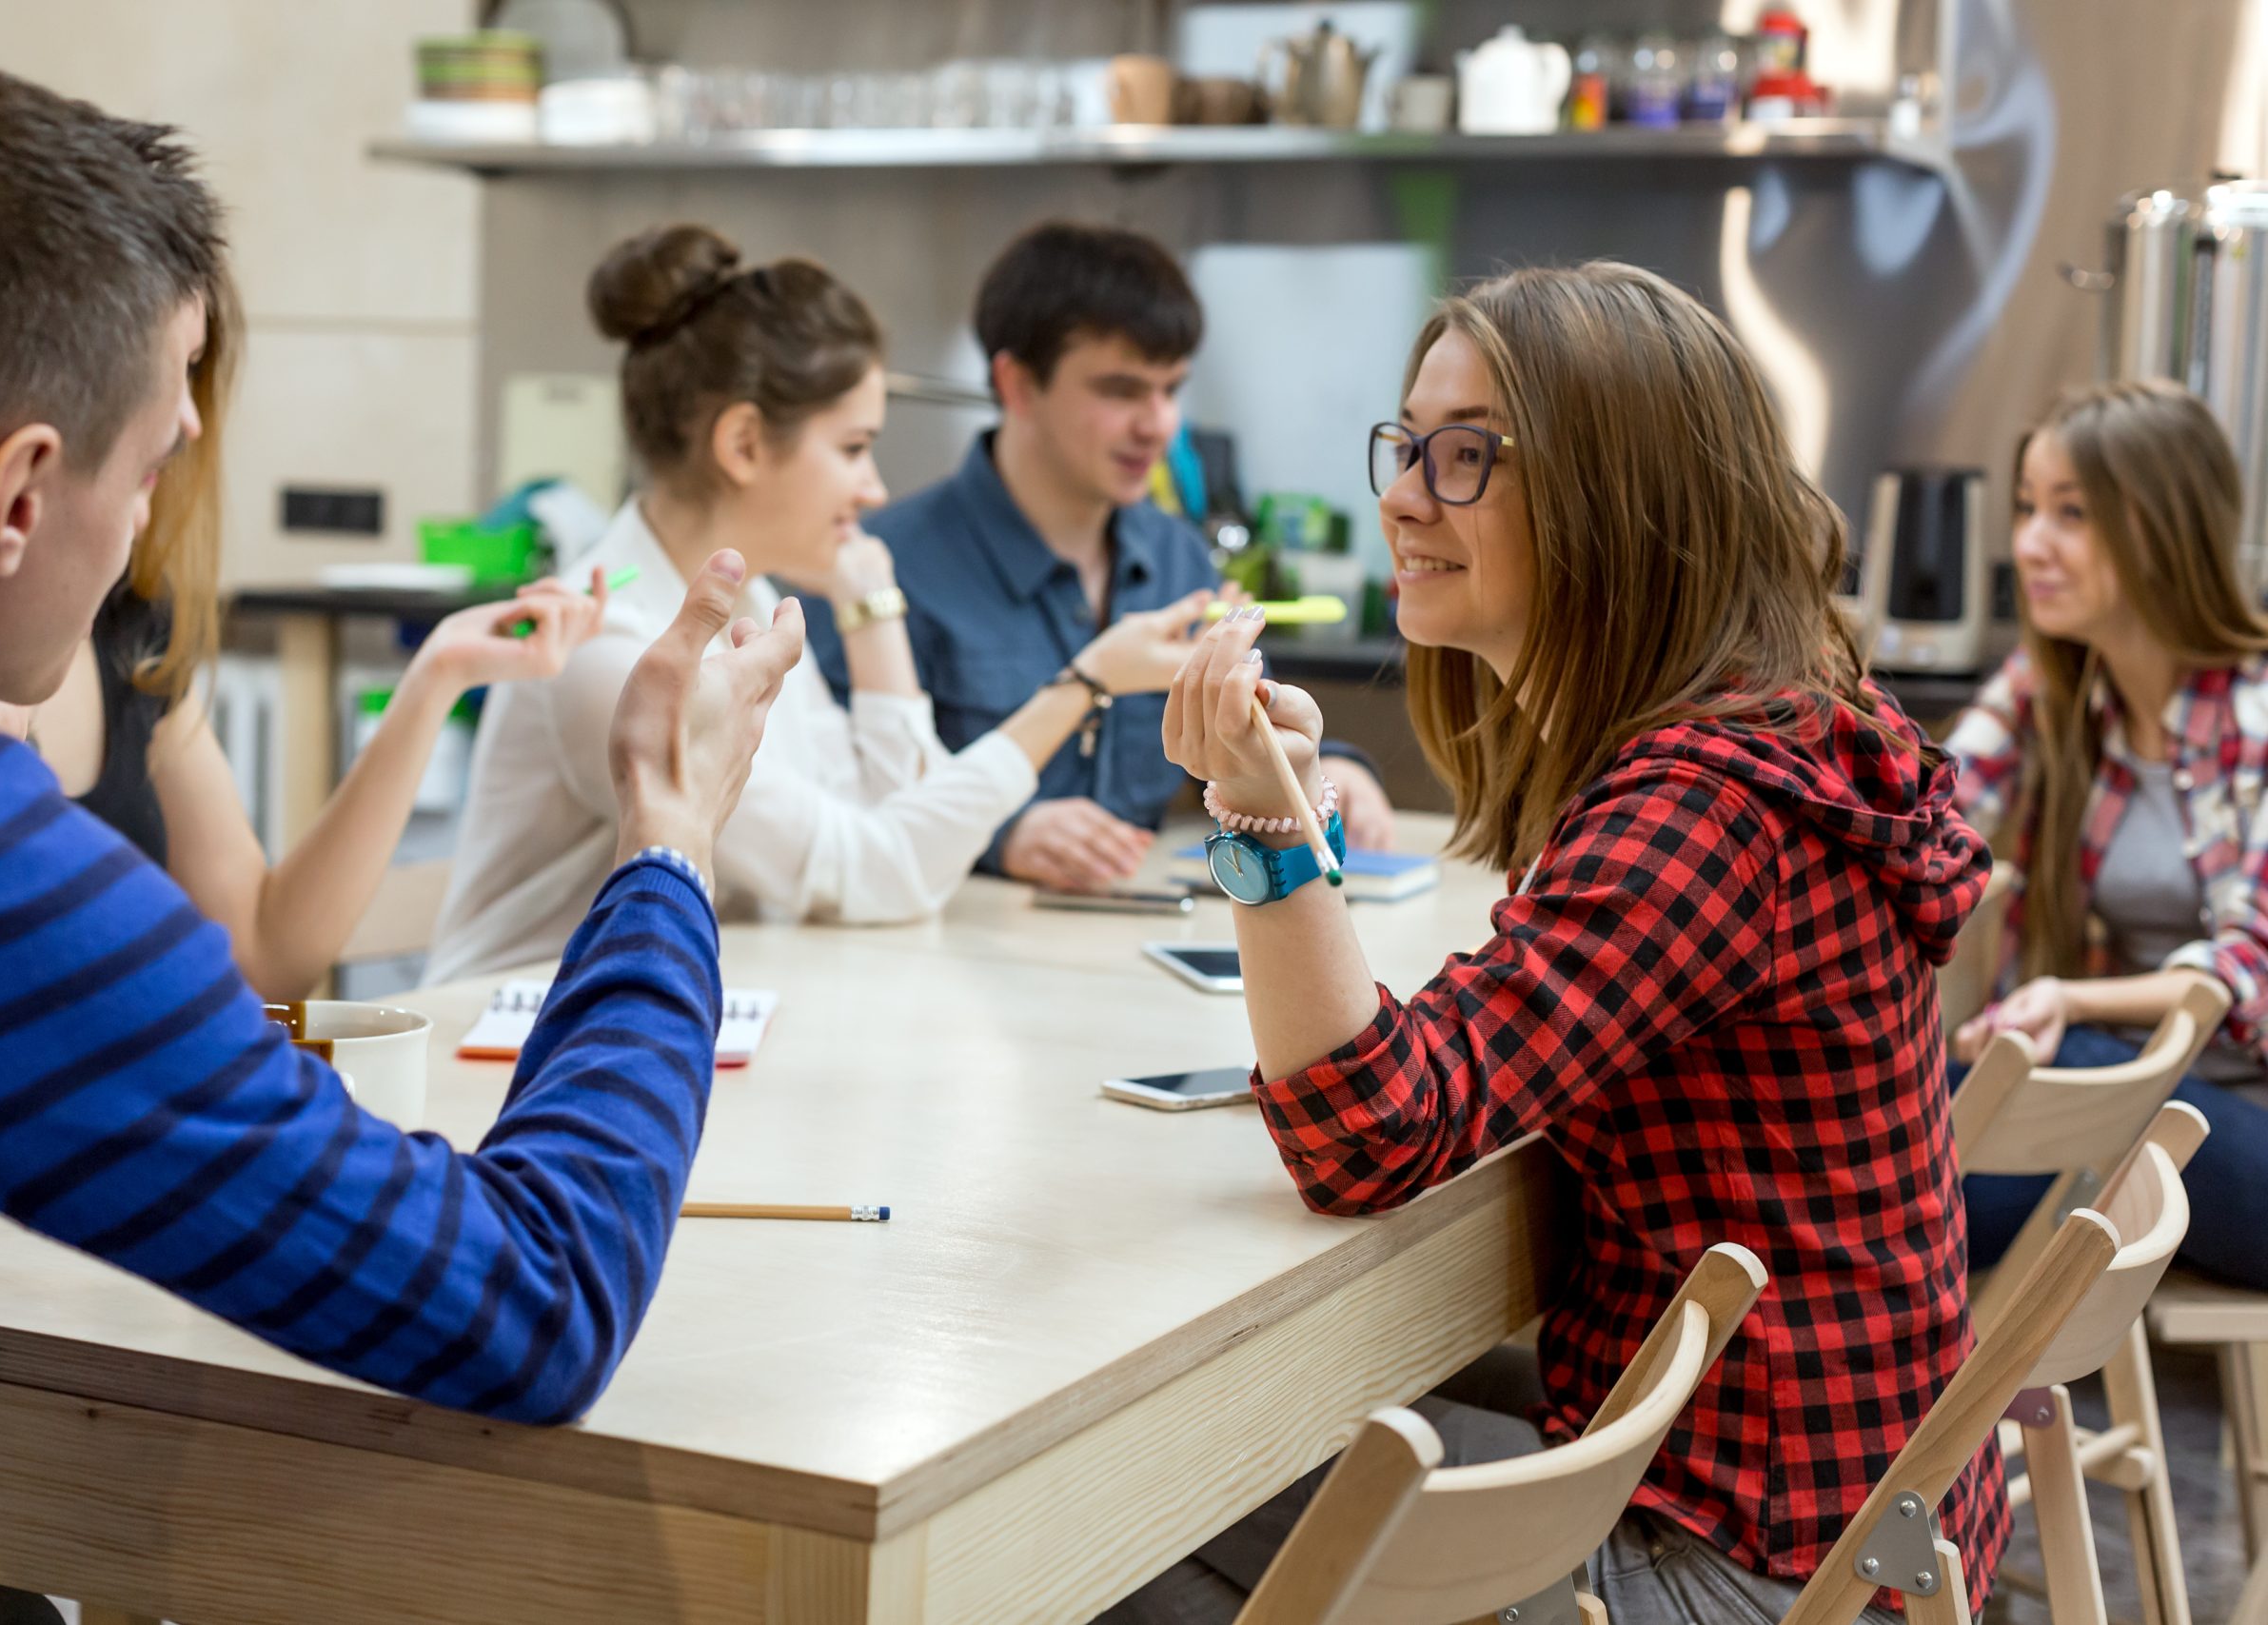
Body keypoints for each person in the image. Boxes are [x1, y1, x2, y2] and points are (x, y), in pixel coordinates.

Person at [0, 49, 798, 1612]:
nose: (147, 524)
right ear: (15, 496)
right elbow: (531, 1301)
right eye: (149, 470)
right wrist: (666, 846)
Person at [1125, 262, 2006, 1624]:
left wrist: (1256, 813)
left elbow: (1372, 1130)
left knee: (1126, 1511)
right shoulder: (1776, 720)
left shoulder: (1700, 806)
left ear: (1617, 494)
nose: (1405, 494)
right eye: (1408, 444)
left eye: (1468, 454)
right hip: (1878, 1519)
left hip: (1748, 1560)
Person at [427, 225, 1214, 978]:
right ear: (742, 445)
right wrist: (1084, 685)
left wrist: (873, 615)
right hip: (514, 1074)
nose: (873, 488)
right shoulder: (617, 654)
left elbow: (910, 846)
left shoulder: (754, 606)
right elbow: (878, 878)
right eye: (853, 449)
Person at [0, 287, 608, 1001]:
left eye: (198, 370)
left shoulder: (132, 637)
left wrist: (437, 674)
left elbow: (261, 956)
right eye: (176, 367)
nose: (191, 421)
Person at [807, 222, 1396, 893]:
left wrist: (1332, 769)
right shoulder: (882, 568)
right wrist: (1002, 834)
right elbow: (840, 811)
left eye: (1170, 389)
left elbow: (1245, 727)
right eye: (1121, 391)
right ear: (1017, 384)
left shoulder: (1176, 557)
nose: (1158, 424)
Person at [1944, 379, 2268, 1290]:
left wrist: (2078, 1003)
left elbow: (2253, 968)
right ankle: (1860, 1267)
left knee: (2076, 1071)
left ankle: (1850, 1268)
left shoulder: (2257, 715)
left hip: (2246, 1130)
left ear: (2162, 529)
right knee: (2013, 1077)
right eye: (2027, 508)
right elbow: (1931, 803)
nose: (2030, 544)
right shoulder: (2056, 691)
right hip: (2158, 1106)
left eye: (2072, 514)